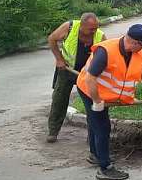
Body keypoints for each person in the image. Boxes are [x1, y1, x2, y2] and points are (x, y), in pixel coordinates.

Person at [76, 24, 142, 180]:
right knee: (102, 126)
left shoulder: (139, 55)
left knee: (95, 121)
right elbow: (90, 78)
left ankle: (95, 154)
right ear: (134, 42)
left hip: (104, 93)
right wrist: (96, 101)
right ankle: (105, 168)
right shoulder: (106, 51)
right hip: (89, 90)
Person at [45, 12, 105, 143]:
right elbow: (51, 39)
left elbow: (105, 55)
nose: (94, 31)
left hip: (87, 74)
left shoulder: (100, 36)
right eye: (91, 29)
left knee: (91, 103)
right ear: (82, 25)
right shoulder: (69, 27)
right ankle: (53, 131)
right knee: (59, 100)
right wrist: (59, 59)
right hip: (66, 70)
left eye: (96, 27)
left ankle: (93, 136)